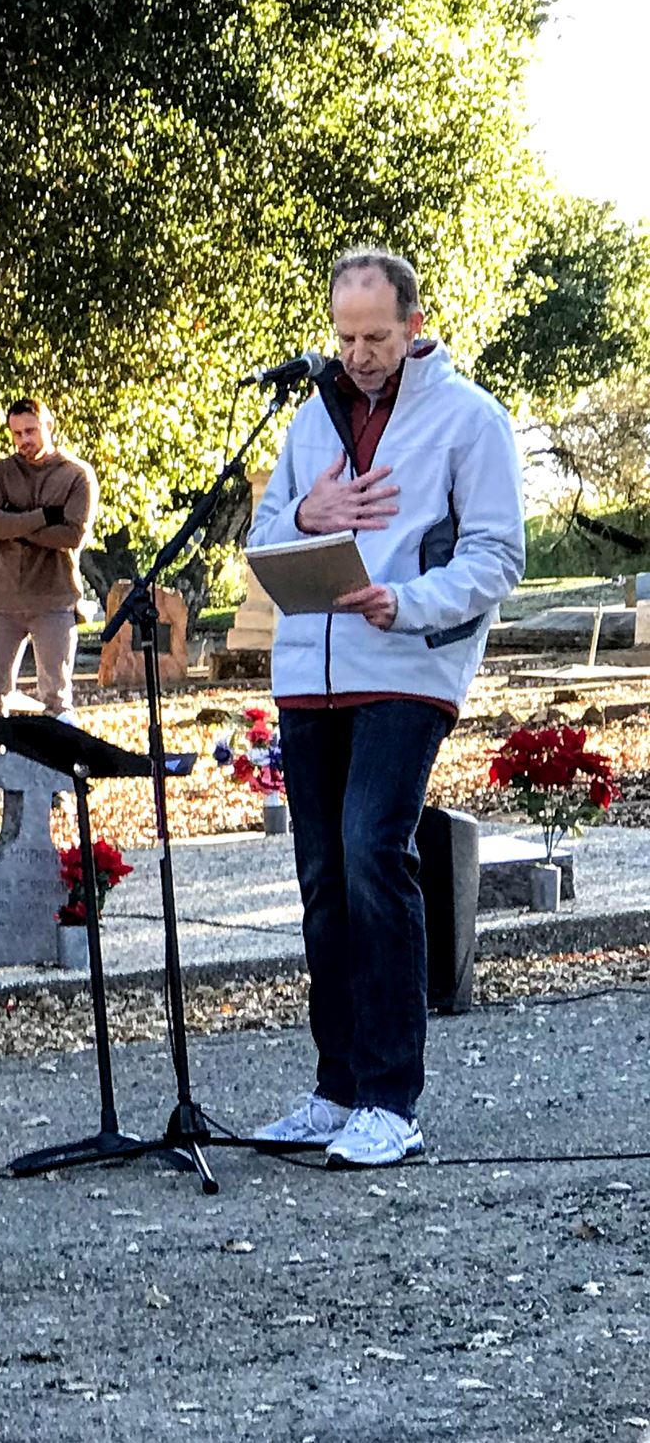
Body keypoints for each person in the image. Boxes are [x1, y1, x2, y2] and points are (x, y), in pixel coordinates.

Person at [248, 245, 524, 1168]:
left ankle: (391, 1100)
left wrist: (407, 602)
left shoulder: (470, 419)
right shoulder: (305, 424)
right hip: (308, 672)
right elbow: (263, 539)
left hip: (407, 665)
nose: (358, 353)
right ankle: (337, 1091)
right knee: (323, 876)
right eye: (344, 335)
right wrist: (308, 518)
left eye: (375, 335)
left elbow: (496, 557)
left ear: (413, 325)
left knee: (374, 851)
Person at [0, 398, 99, 808]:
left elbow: (71, 535)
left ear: (48, 426)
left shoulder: (76, 476)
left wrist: (14, 523)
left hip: (54, 597)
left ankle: (59, 783)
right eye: (16, 433)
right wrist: (42, 516)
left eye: (30, 431)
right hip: (1, 598)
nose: (23, 441)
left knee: (56, 694)